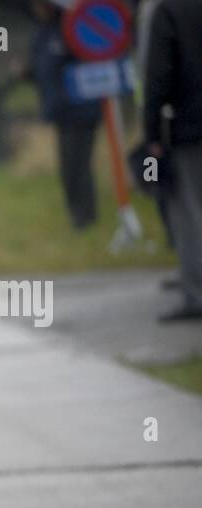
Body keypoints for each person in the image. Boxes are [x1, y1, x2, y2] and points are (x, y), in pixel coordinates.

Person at [17, 0, 101, 229]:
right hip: (60, 113)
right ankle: (77, 216)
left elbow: (90, 59)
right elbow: (41, 69)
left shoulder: (72, 29)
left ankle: (86, 219)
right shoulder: (41, 34)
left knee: (78, 166)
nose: (37, 9)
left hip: (82, 111)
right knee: (67, 168)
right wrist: (25, 72)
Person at [144, 0, 202, 321]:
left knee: (190, 212)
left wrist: (153, 133)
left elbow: (158, 73)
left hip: (189, 127)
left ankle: (196, 295)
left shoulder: (169, 10)